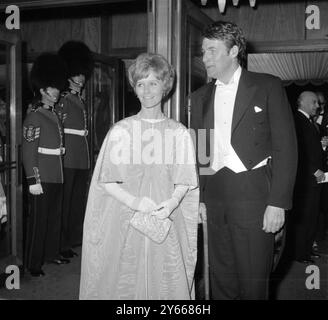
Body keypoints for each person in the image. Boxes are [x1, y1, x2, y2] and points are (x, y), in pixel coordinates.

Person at [190, 21, 297, 300]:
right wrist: (199, 198)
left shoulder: (268, 86)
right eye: (203, 52)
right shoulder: (198, 98)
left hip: (254, 196)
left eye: (212, 51)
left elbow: (287, 148)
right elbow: (200, 154)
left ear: (234, 50)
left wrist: (278, 203)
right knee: (220, 282)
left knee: (253, 284)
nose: (205, 58)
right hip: (214, 198)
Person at [79, 53, 199, 300]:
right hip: (128, 223)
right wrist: (136, 203)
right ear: (134, 88)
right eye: (140, 84)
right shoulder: (122, 131)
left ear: (165, 86)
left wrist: (172, 203)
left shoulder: (179, 133)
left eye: (153, 83)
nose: (146, 91)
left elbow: (185, 179)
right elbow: (106, 181)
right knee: (127, 284)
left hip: (165, 223)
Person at [22, 53, 70, 277]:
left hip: (56, 173)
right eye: (52, 87)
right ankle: (33, 263)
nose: (57, 91)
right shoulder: (34, 117)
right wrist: (33, 180)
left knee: (53, 218)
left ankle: (51, 253)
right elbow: (28, 151)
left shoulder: (53, 115)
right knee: (39, 221)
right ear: (42, 90)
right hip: (42, 175)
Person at [56, 41, 94, 259]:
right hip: (67, 156)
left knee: (78, 199)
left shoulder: (79, 98)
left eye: (83, 73)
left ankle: (72, 238)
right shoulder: (62, 99)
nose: (81, 78)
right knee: (64, 201)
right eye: (76, 73)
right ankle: (60, 243)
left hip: (80, 156)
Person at [288, 91, 325, 264]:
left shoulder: (308, 122)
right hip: (306, 180)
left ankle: (307, 250)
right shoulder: (297, 121)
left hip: (314, 179)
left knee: (312, 217)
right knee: (304, 218)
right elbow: (299, 152)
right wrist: (314, 170)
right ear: (303, 102)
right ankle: (299, 254)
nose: (317, 106)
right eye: (314, 102)